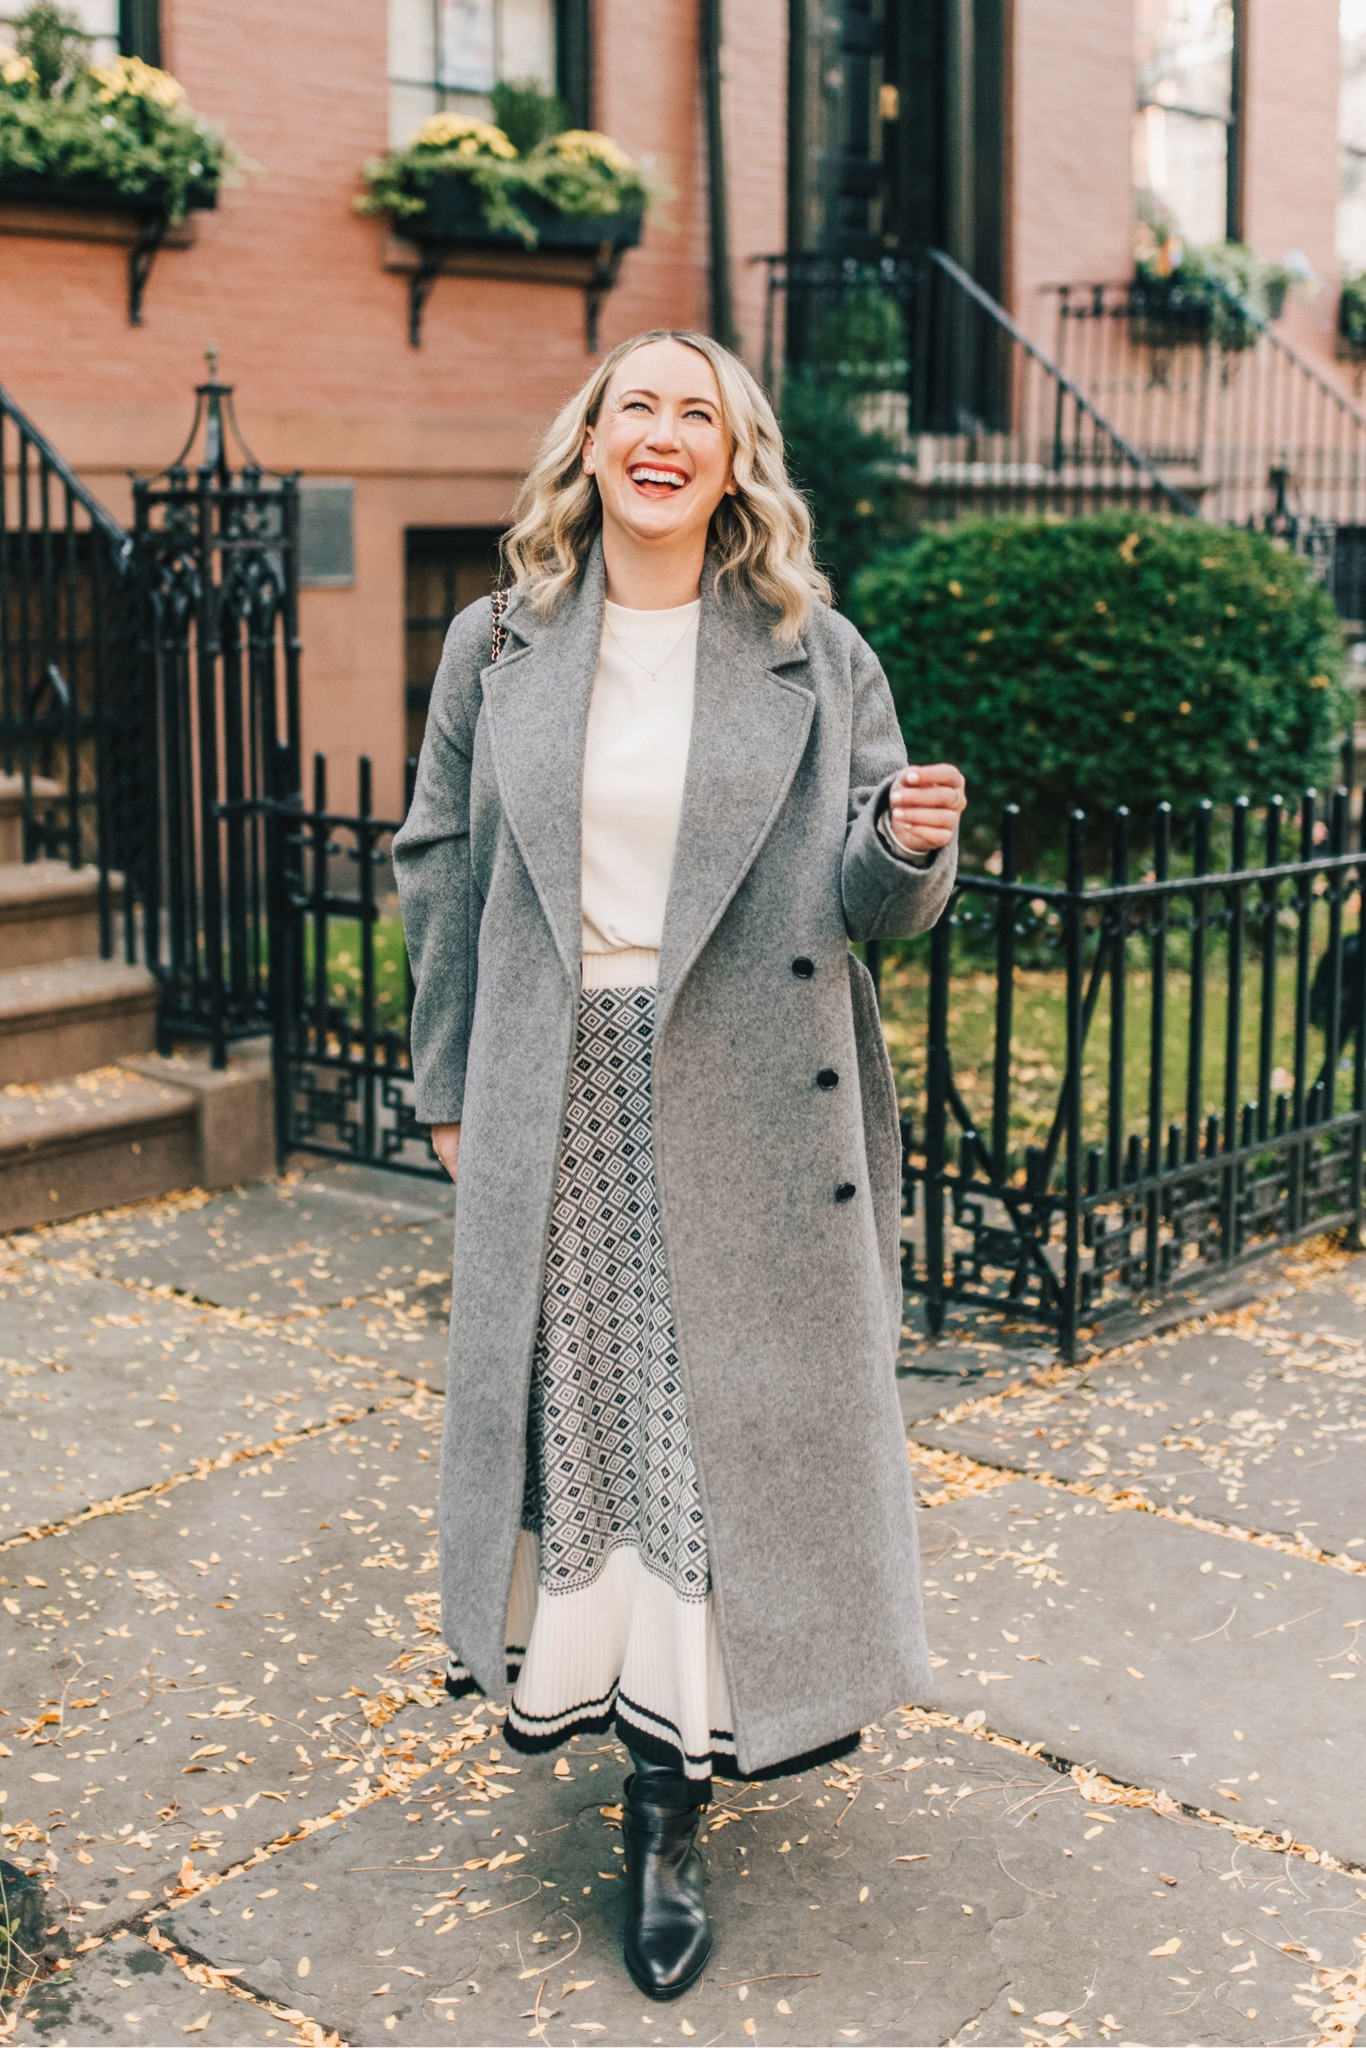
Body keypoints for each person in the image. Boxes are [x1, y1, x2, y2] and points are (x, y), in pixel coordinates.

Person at [393, 328, 964, 2000]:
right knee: (594, 1429)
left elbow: (869, 908)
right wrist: (444, 1084)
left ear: (732, 463)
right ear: (588, 444)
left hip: (748, 1099)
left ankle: (685, 1781)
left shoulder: (809, 646)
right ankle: (638, 1766)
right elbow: (440, 866)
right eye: (631, 406)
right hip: (558, 1091)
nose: (659, 435)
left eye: (692, 416)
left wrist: (907, 847)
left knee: (715, 1443)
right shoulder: (495, 641)